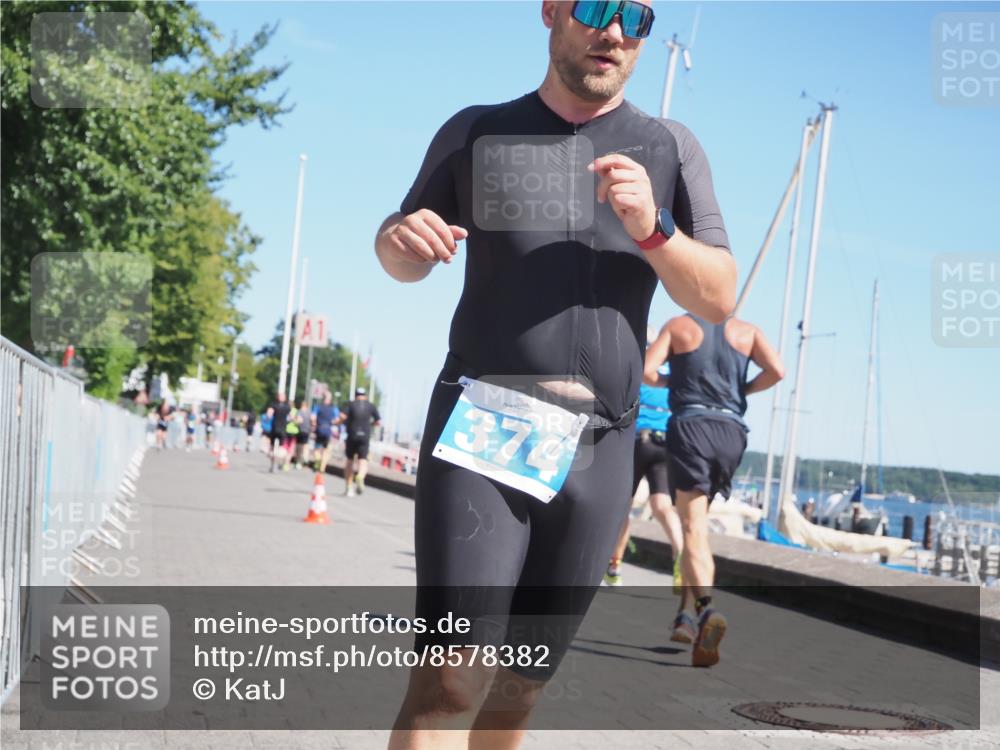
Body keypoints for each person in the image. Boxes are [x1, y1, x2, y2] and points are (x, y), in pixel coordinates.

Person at [375, 2, 736, 745]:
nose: (614, 32)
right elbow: (398, 252)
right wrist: (399, 238)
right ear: (550, 12)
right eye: (596, 8)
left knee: (518, 692)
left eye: (636, 17)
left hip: (602, 449)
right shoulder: (478, 129)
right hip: (488, 424)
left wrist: (653, 229)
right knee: (450, 680)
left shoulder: (668, 148)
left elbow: (717, 293)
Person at [645, 313, 784, 667]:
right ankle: (686, 615)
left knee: (692, 531)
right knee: (699, 530)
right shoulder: (747, 331)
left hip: (692, 426)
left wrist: (669, 381)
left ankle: (705, 610)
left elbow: (647, 371)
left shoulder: (679, 327)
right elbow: (777, 371)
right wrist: (745, 389)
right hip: (732, 431)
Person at [604, 330, 684, 597]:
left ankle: (614, 566)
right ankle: (681, 555)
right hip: (665, 443)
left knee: (623, 507)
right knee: (662, 506)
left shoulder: (639, 362)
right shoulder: (673, 369)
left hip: (639, 440)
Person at [333, 387, 381, 496]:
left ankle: (349, 487)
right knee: (363, 460)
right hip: (365, 436)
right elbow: (378, 422)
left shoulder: (350, 404)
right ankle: (360, 476)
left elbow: (342, 416)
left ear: (355, 395)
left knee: (350, 460)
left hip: (352, 435)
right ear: (365, 395)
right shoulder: (371, 405)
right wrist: (370, 425)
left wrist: (336, 423)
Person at [312, 392, 340, 472]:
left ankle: (318, 459)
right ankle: (322, 468)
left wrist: (314, 425)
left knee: (317, 448)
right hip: (328, 430)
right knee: (326, 450)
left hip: (319, 429)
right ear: (330, 399)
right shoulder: (334, 408)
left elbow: (313, 417)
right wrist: (333, 423)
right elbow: (337, 420)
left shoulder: (317, 407)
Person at [267, 392, 292, 473]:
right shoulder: (287, 406)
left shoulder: (274, 405)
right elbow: (291, 417)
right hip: (280, 429)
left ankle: (273, 463)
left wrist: (268, 417)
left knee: (274, 449)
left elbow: (269, 414)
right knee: (277, 449)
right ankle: (275, 462)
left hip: (277, 428)